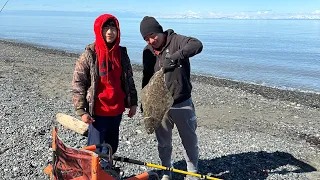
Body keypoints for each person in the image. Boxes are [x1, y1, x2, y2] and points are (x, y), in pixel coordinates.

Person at [139, 16, 203, 180]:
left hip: (182, 101)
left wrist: (174, 57)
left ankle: (192, 172)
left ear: (160, 30)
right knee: (163, 143)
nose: (151, 40)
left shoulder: (177, 40)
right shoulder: (147, 52)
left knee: (189, 140)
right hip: (159, 105)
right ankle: (167, 170)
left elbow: (197, 45)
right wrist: (144, 101)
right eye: (147, 38)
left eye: (153, 35)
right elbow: (147, 77)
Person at [72, 14, 138, 157]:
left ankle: (108, 171)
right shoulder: (90, 54)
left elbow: (129, 79)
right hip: (97, 111)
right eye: (106, 28)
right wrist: (81, 111)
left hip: (117, 110)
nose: (110, 32)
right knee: (95, 150)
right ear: (99, 30)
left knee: (111, 147)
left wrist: (133, 103)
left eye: (113, 28)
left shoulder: (122, 53)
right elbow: (78, 83)